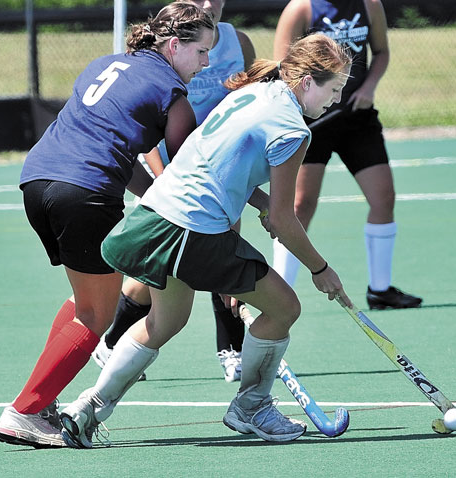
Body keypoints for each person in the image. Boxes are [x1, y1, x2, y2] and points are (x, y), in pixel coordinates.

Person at [58, 33, 352, 448]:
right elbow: (286, 220)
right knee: (284, 307)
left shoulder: (253, 93)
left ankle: (86, 408)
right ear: (307, 81)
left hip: (156, 215)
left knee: (166, 321)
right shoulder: (292, 130)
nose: (337, 100)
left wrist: (260, 209)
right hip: (194, 229)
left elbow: (225, 167)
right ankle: (251, 406)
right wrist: (321, 270)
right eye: (334, 88)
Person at [0, 3, 215, 449]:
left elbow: (116, 150)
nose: (206, 62)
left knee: (84, 304)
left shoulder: (107, 63)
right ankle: (25, 412)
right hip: (85, 193)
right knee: (98, 315)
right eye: (203, 51)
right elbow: (189, 169)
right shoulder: (174, 95)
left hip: (38, 180)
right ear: (175, 46)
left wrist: (148, 194)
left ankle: (42, 401)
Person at [92, 0, 256, 384]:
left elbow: (246, 100)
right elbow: (145, 111)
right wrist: (163, 175)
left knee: (224, 246)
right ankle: (113, 341)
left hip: (219, 167)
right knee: (158, 270)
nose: (209, 3)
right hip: (169, 170)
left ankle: (231, 349)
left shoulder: (238, 41)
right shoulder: (167, 36)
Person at [272, 0, 423, 310]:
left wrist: (368, 88)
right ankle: (280, 290)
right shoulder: (301, 8)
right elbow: (281, 68)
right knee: (301, 204)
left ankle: (380, 290)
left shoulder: (370, 5)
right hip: (313, 121)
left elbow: (381, 52)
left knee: (383, 198)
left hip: (357, 117)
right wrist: (302, 111)